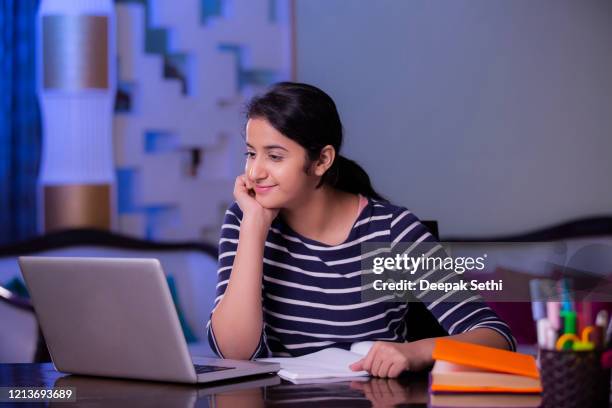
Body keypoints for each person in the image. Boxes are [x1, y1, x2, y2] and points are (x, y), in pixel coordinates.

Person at [207, 82, 515, 378]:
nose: (254, 172)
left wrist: (416, 352)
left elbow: (497, 338)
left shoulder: (390, 231)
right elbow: (234, 353)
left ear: (322, 160)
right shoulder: (246, 218)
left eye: (274, 156)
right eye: (250, 153)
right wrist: (254, 228)